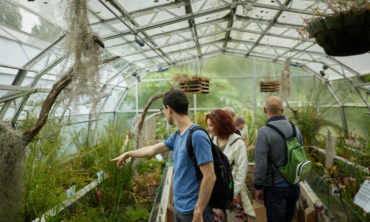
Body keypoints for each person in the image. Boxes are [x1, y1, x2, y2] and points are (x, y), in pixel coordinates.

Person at [111, 90, 216, 222]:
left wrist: (198, 211)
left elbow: (210, 176)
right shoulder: (178, 135)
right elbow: (152, 150)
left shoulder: (196, 136)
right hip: (180, 207)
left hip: (194, 211)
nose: (164, 113)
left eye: (163, 109)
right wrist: (128, 154)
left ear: (169, 109)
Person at [254, 96, 303, 222]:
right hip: (294, 185)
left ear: (265, 110)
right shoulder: (294, 128)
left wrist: (258, 186)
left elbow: (261, 163)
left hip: (275, 187)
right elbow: (301, 155)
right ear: (282, 111)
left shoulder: (264, 132)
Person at [206, 110, 256, 222]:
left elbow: (242, 171)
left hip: (232, 190)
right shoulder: (210, 140)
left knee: (234, 218)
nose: (208, 128)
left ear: (220, 125)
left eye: (210, 125)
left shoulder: (238, 142)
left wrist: (232, 195)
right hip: (215, 191)